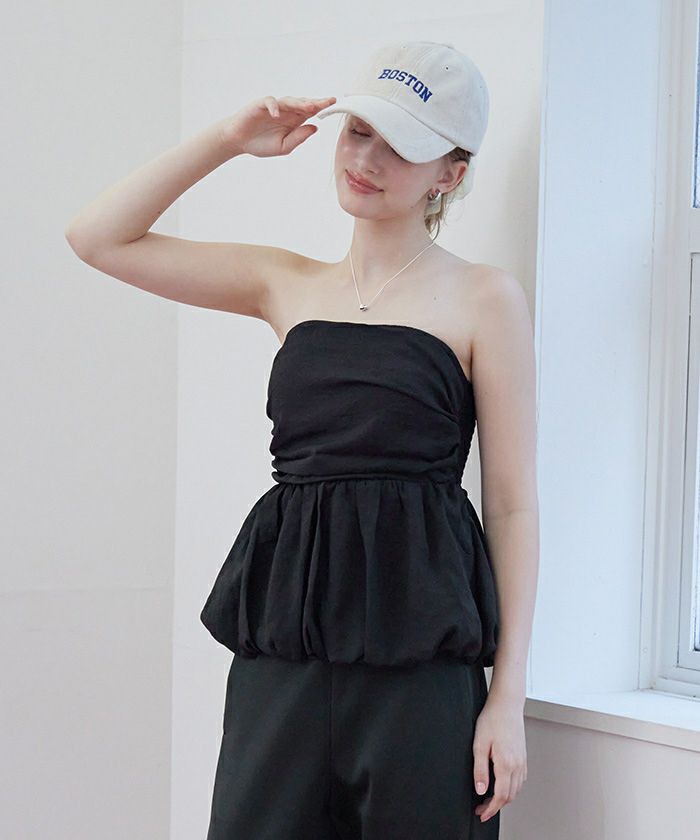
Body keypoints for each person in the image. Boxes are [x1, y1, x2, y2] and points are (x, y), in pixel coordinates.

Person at [65, 38, 538, 840]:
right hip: (285, 644)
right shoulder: (284, 282)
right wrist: (227, 139)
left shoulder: (485, 298)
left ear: (450, 174)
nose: (367, 159)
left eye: (401, 147)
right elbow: (97, 237)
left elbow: (514, 506)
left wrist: (507, 698)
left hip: (418, 661)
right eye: (359, 131)